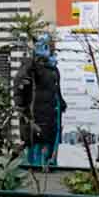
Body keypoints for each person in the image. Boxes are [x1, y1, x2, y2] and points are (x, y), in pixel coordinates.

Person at [14, 37, 65, 169]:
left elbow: (55, 88)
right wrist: (20, 104)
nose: (50, 49)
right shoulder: (31, 66)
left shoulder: (53, 68)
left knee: (49, 139)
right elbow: (20, 84)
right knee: (36, 140)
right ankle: (35, 166)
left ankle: (49, 165)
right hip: (36, 112)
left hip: (52, 111)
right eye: (47, 46)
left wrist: (61, 102)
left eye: (51, 46)